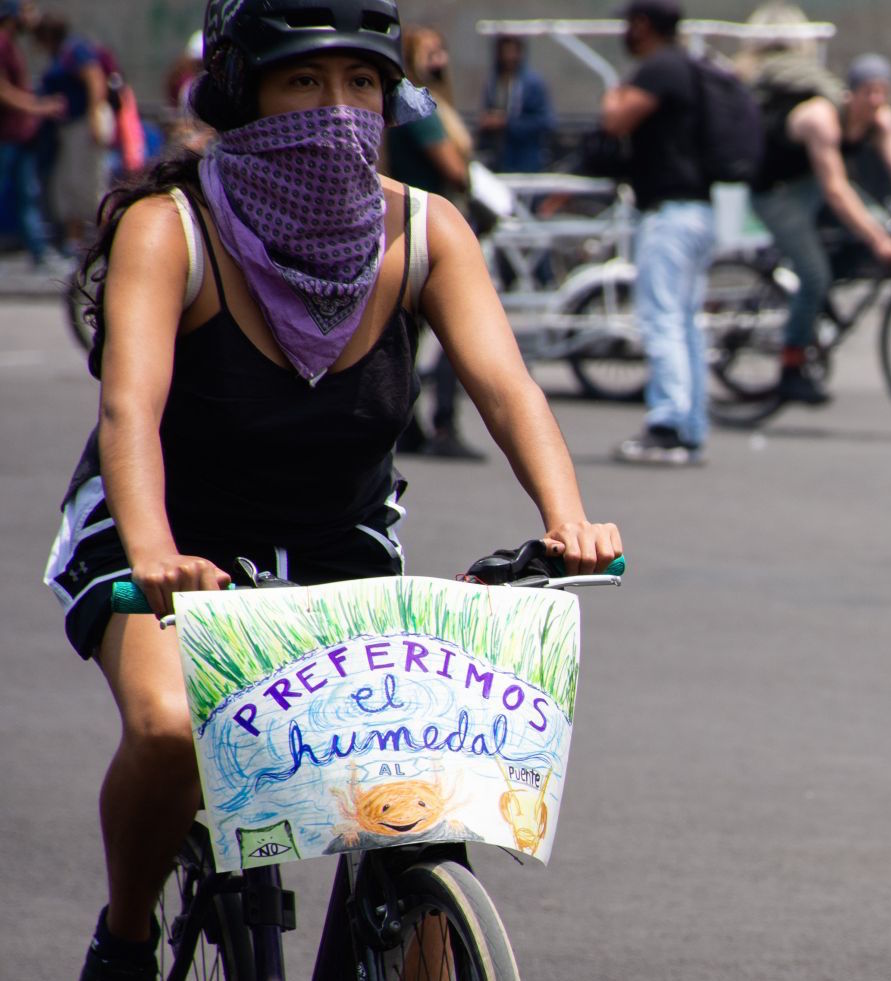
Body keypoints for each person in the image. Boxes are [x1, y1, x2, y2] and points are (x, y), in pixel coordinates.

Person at [42, 2, 621, 978]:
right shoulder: (170, 227)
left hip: (332, 535)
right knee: (173, 725)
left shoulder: (426, 229)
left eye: (360, 83)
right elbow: (127, 414)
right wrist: (150, 552)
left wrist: (565, 519)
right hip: (169, 535)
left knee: (421, 776)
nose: (338, 109)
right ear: (245, 96)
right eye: (303, 82)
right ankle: (128, 940)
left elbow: (507, 386)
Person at [749, 33, 891, 404]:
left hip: (811, 184)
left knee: (881, 223)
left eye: (883, 92)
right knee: (815, 276)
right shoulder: (822, 118)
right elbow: (835, 190)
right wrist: (878, 241)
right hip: (776, 192)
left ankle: (819, 300)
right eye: (868, 92)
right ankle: (790, 367)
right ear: (850, 94)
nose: (876, 100)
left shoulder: (880, 119)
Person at [600, 0, 715, 465]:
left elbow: (615, 121)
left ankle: (667, 424)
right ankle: (689, 427)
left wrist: (614, 91)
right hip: (699, 211)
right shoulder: (690, 66)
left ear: (643, 26)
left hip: (671, 213)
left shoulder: (659, 69)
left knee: (663, 318)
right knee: (685, 321)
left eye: (629, 24)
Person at [386, 24, 482, 461]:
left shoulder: (420, 104)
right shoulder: (419, 108)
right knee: (451, 334)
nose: (439, 58)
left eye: (442, 49)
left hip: (406, 226)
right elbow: (454, 167)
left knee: (405, 335)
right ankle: (444, 425)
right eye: (429, 51)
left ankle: (409, 427)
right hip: (427, 228)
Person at [31, 12, 107, 253]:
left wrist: (95, 115)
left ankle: (100, 238)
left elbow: (95, 79)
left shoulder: (75, 50)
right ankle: (74, 240)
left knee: (87, 183)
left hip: (82, 124)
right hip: (65, 129)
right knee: (68, 185)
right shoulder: (59, 54)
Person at [0, 0, 64, 270]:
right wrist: (38, 107)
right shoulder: (2, 43)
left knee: (29, 193)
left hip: (21, 136)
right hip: (8, 136)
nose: (31, 17)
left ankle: (38, 252)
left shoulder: (11, 43)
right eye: (25, 11)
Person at [479, 33, 554, 173]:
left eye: (513, 51)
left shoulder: (532, 83)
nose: (509, 57)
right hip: (499, 158)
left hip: (527, 159)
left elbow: (546, 122)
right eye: (505, 51)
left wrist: (506, 123)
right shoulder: (493, 83)